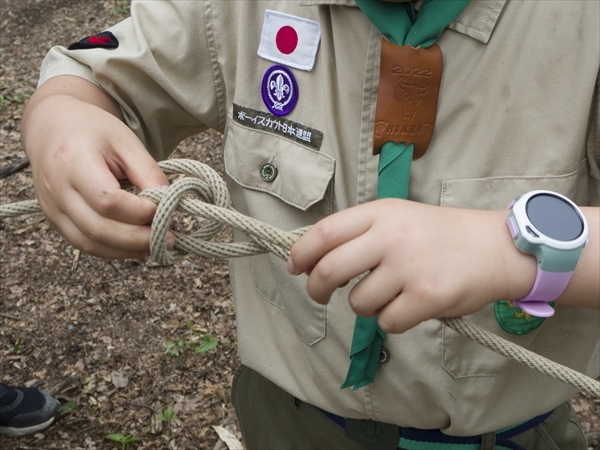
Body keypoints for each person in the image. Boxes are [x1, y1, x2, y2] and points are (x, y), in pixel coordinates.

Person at [19, 0, 599, 449]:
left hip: (514, 434)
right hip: (289, 422)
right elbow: (95, 72)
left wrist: (510, 254)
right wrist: (59, 115)